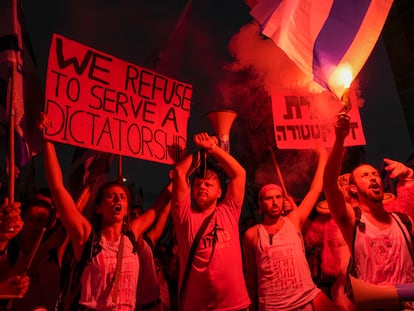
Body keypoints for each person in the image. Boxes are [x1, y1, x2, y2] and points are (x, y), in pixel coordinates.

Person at [41, 115, 172, 311]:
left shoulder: (131, 235)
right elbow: (58, 188)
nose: (118, 199)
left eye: (122, 196)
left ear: (127, 207)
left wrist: (179, 175)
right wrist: (48, 141)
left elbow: (159, 203)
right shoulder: (88, 238)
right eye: (111, 196)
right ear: (98, 207)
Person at [323, 112, 414, 304]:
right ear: (353, 188)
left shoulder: (403, 221)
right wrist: (340, 139)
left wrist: (409, 176)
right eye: (365, 175)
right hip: (375, 306)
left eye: (375, 174)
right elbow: (330, 184)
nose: (373, 177)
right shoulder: (352, 220)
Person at [243, 146, 338, 311]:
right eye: (269, 198)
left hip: (305, 300)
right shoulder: (252, 234)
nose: (274, 202)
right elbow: (251, 277)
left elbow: (316, 189)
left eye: (278, 197)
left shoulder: (294, 220)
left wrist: (323, 156)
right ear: (260, 203)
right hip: (273, 306)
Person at [171, 132, 250, 311]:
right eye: (198, 184)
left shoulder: (229, 211)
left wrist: (213, 148)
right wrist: (203, 153)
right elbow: (179, 172)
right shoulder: (184, 217)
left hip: (235, 306)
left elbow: (239, 174)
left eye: (208, 184)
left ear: (220, 192)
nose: (202, 187)